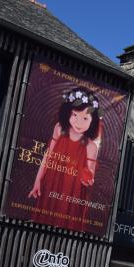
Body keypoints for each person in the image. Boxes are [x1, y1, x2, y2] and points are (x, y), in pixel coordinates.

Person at [28, 87, 102, 231]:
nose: (79, 122)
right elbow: (48, 155)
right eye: (74, 115)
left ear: (92, 121)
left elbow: (90, 175)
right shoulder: (59, 129)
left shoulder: (91, 146)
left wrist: (87, 178)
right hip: (51, 184)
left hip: (72, 194)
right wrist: (37, 181)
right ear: (68, 112)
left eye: (85, 118)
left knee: (65, 230)